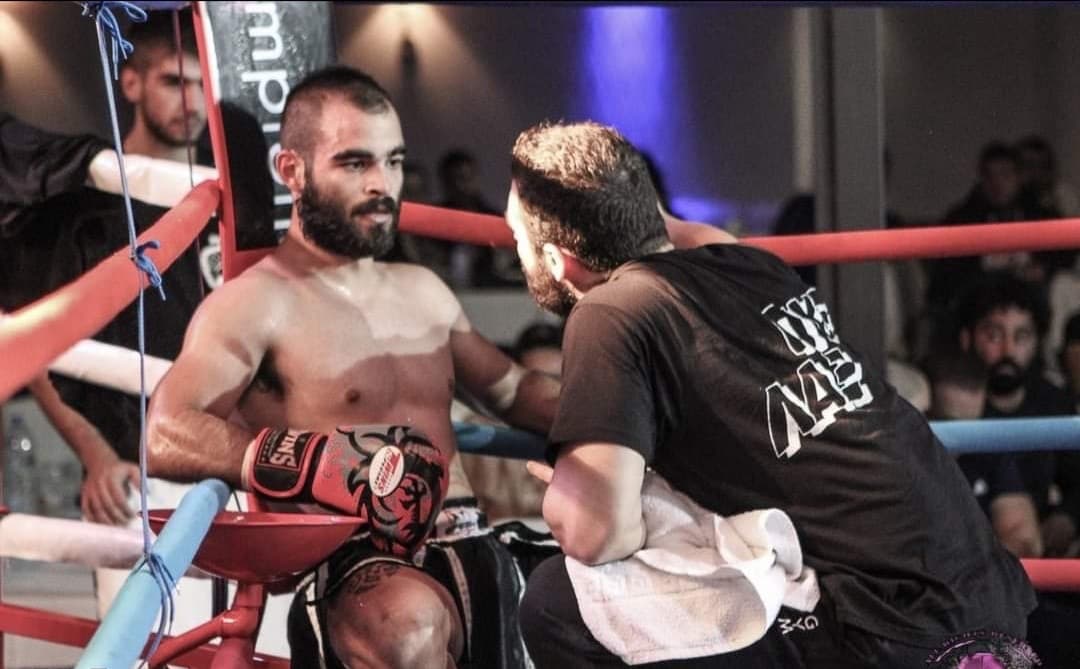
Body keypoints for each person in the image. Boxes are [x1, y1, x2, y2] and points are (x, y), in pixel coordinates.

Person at [504, 121, 1036, 667]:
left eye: (517, 237)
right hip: (994, 606)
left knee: (555, 602)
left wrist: (569, 492)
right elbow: (669, 228)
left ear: (556, 260)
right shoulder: (750, 264)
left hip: (896, 634)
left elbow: (598, 534)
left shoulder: (609, 310)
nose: (516, 248)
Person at [146, 66, 560, 669]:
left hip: (476, 541)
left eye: (393, 161)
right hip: (360, 559)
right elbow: (165, 431)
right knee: (406, 630)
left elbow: (515, 391)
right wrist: (315, 463)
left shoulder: (423, 289)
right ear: (292, 171)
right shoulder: (254, 303)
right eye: (355, 163)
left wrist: (637, 412)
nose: (382, 184)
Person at [956, 273, 1080, 558]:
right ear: (967, 338)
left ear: (1037, 342)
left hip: (1039, 557)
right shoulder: (957, 409)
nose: (1008, 350)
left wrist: (1067, 517)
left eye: (1021, 336)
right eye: (993, 335)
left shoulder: (1053, 402)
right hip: (971, 560)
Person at [923, 352, 1042, 558]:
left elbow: (1023, 541)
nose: (962, 439)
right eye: (948, 424)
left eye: (971, 427)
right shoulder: (898, 455)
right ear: (921, 412)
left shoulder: (986, 445)